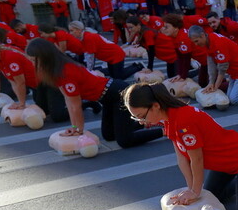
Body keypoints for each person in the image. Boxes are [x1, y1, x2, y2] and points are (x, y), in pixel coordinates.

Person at [26, 38, 163, 148]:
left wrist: (78, 130)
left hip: (119, 94)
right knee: (109, 135)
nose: (32, 63)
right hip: (108, 97)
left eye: (34, 60)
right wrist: (74, 128)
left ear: (44, 57)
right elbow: (69, 100)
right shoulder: (57, 70)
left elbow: (75, 106)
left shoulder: (65, 72)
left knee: (124, 141)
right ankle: (146, 123)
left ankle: (165, 131)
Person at [0, 39, 68, 122]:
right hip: (39, 85)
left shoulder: (9, 57)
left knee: (57, 116)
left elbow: (20, 83)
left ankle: (79, 103)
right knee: (43, 111)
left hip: (49, 82)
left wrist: (22, 104)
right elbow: (4, 77)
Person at [187, 25, 238, 105]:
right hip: (235, 72)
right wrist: (211, 82)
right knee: (229, 98)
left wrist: (216, 86)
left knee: (234, 100)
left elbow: (222, 68)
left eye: (196, 41)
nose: (196, 44)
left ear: (202, 35)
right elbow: (211, 64)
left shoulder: (217, 43)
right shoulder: (208, 40)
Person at [68, 21, 139, 80]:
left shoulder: (88, 38)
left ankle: (138, 67)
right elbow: (86, 54)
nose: (70, 33)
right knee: (114, 76)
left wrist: (89, 71)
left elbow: (90, 57)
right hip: (110, 56)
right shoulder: (84, 37)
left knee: (119, 77)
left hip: (115, 55)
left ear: (79, 30)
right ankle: (135, 66)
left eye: (72, 30)